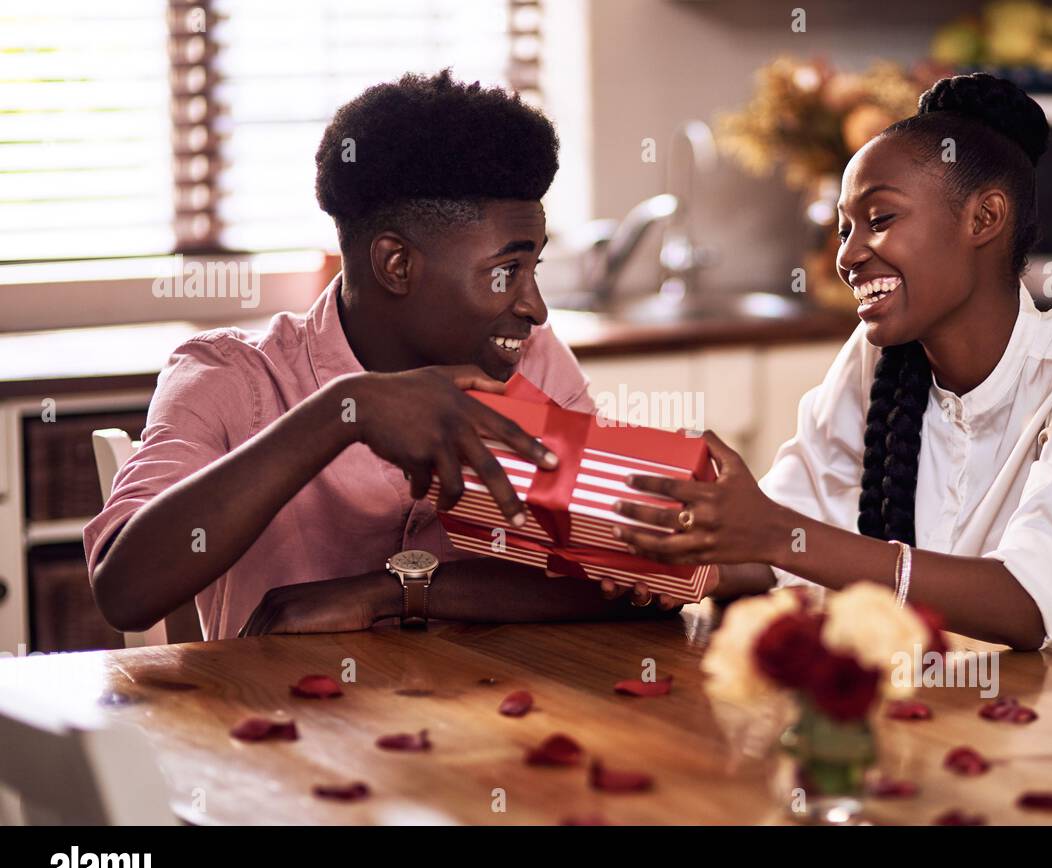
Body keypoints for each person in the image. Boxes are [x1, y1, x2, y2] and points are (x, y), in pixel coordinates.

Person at [612, 74, 1052, 685]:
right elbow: (783, 541)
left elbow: (1027, 604)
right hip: (971, 717)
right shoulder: (877, 358)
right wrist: (686, 558)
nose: (847, 254)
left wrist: (772, 535)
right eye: (845, 228)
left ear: (984, 218)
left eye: (880, 218)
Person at [86, 71, 664, 640]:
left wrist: (392, 592)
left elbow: (630, 573)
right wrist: (346, 410)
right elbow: (126, 593)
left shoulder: (531, 358)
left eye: (532, 268)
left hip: (485, 720)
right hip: (286, 724)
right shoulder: (232, 378)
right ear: (396, 264)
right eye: (505, 271)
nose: (535, 309)